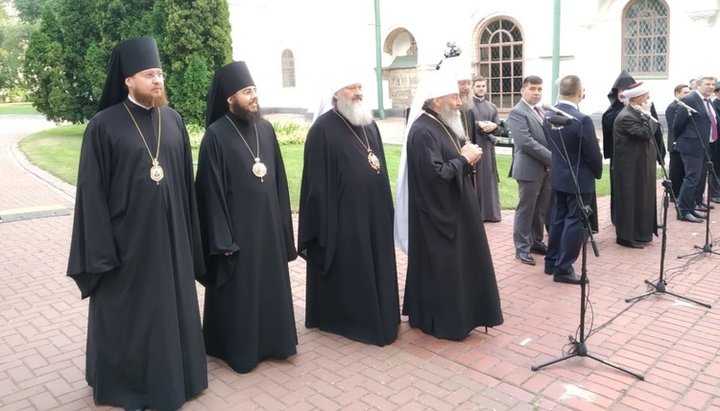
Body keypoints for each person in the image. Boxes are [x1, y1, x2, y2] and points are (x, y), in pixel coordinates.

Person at [66, 37, 207, 410]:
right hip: (126, 246)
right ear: (128, 80)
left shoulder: (173, 121)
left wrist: (191, 239)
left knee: (172, 310)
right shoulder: (103, 125)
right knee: (132, 316)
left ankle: (182, 378)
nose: (158, 80)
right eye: (149, 75)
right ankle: (127, 384)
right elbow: (91, 195)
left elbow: (186, 190)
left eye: (160, 73)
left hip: (172, 240)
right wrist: (101, 251)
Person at [195, 61, 297, 373]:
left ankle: (276, 344)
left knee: (270, 287)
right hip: (237, 234)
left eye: (254, 90)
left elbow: (278, 181)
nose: (254, 97)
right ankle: (238, 350)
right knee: (241, 293)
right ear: (230, 98)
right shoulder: (215, 135)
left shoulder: (264, 129)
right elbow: (209, 192)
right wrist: (223, 238)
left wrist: (282, 227)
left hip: (267, 228)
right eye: (247, 91)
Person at [298, 74, 399, 346]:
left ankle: (381, 312)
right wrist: (325, 224)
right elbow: (316, 186)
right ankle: (350, 319)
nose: (358, 92)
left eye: (359, 87)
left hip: (374, 214)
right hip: (344, 220)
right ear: (336, 93)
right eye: (351, 87)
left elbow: (378, 165)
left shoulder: (368, 124)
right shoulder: (322, 130)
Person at [403, 69, 503, 340]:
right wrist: (464, 160)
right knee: (446, 271)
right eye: (454, 97)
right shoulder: (423, 130)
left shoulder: (442, 123)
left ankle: (469, 314)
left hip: (457, 210)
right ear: (437, 101)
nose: (460, 102)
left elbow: (452, 162)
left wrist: (467, 157)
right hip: (439, 217)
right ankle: (446, 322)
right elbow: (435, 175)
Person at [543, 75, 602, 284]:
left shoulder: (548, 115)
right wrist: (597, 171)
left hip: (559, 175)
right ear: (579, 92)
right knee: (575, 221)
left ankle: (551, 262)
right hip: (579, 178)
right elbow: (593, 154)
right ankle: (564, 268)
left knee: (558, 219)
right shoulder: (581, 119)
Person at [603, 71, 666, 225]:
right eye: (620, 90)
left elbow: (655, 128)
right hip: (624, 157)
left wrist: (659, 154)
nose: (622, 93)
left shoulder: (646, 107)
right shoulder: (617, 112)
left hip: (642, 156)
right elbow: (642, 131)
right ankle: (621, 219)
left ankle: (642, 220)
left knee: (641, 191)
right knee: (625, 191)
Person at [506, 75, 551, 266]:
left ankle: (535, 241)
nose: (536, 93)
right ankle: (522, 247)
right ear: (522, 90)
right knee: (526, 209)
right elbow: (526, 142)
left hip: (546, 168)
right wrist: (552, 157)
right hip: (529, 169)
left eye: (540, 89)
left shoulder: (540, 110)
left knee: (540, 208)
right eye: (532, 89)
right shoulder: (518, 112)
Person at [612, 82, 660, 247]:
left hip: (641, 165)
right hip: (630, 168)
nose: (648, 99)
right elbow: (645, 134)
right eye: (646, 96)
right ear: (639, 98)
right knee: (630, 200)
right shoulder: (626, 116)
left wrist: (646, 115)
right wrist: (648, 115)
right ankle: (626, 237)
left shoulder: (636, 112)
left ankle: (642, 233)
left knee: (642, 198)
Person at [674, 75, 718, 223]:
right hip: (692, 146)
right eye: (707, 84)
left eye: (713, 84)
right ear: (698, 85)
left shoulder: (707, 101)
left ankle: (691, 207)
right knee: (692, 178)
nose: (711, 87)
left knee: (699, 179)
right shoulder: (690, 99)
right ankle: (683, 211)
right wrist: (685, 139)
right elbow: (677, 124)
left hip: (705, 145)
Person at [471, 76, 503, 222]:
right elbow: (466, 123)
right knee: (475, 180)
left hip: (489, 149)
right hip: (474, 146)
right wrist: (479, 124)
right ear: (473, 87)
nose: (481, 88)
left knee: (488, 180)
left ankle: (491, 214)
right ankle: (476, 215)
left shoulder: (492, 107)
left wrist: (494, 126)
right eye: (478, 86)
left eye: (483, 86)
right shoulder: (467, 106)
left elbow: (499, 127)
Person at [665, 84, 691, 200]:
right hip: (675, 143)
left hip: (684, 144)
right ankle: (674, 194)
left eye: (689, 92)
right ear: (677, 93)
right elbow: (674, 126)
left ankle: (680, 192)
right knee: (675, 170)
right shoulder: (672, 107)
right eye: (685, 92)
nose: (688, 94)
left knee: (682, 170)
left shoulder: (684, 106)